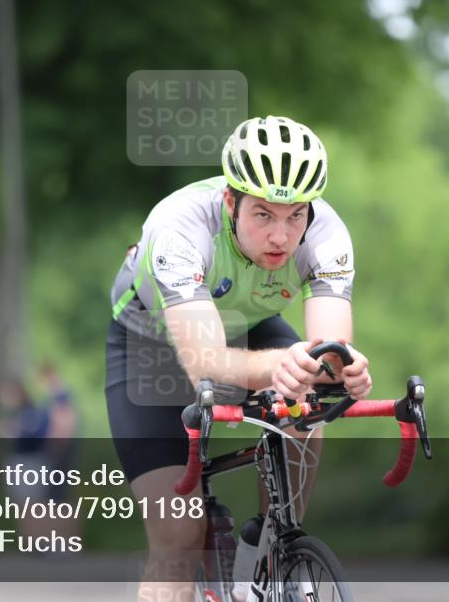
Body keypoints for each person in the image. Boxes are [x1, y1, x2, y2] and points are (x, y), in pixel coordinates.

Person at [105, 116, 373, 601]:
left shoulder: (328, 234)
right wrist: (282, 367)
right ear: (231, 201)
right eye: (264, 215)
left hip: (245, 327)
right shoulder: (178, 229)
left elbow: (328, 349)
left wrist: (343, 369)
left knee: (309, 403)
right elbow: (206, 362)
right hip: (150, 344)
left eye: (296, 216)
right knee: (179, 542)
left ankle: (266, 552)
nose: (282, 236)